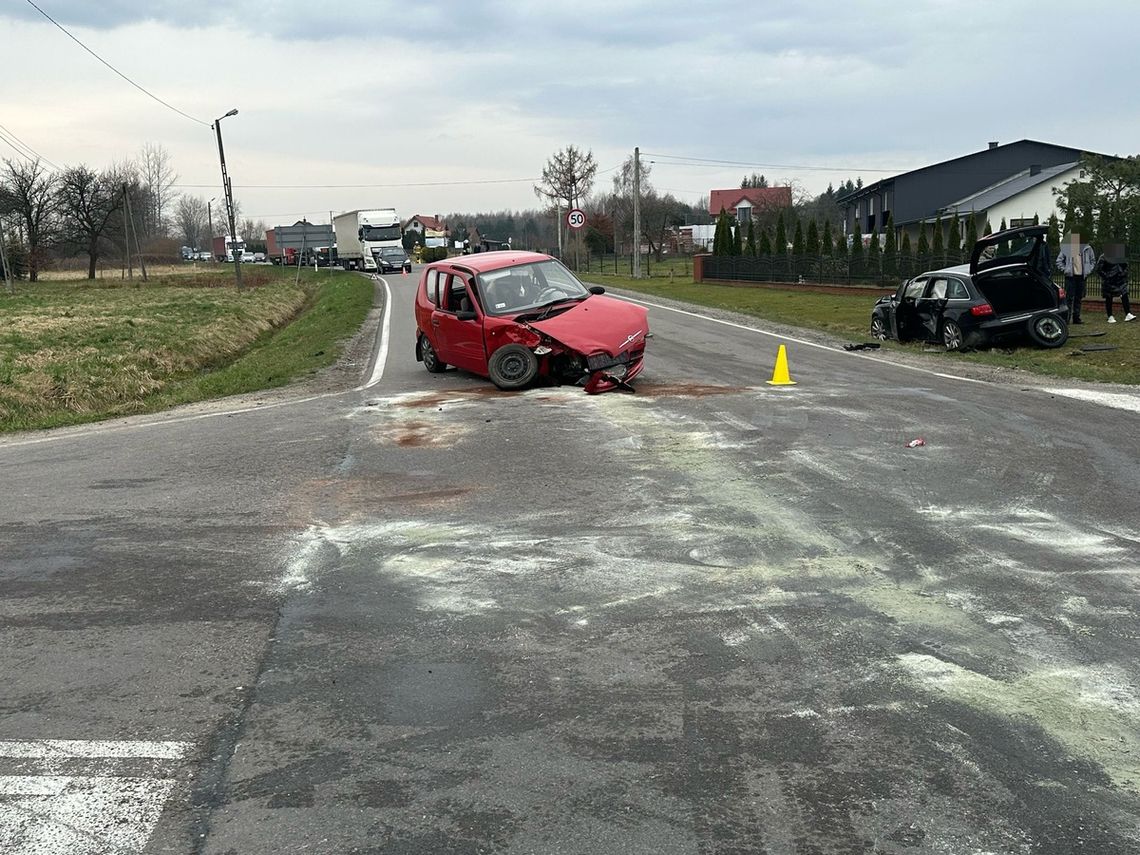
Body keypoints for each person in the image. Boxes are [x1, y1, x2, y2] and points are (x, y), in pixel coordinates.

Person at [1056, 232, 1096, 324]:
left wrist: (1088, 270)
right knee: (1069, 298)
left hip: (1082, 277)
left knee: (1079, 298)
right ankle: (1067, 318)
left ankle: (1076, 318)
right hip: (1070, 277)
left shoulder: (1088, 248)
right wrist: (1065, 270)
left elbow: (1092, 260)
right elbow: (1059, 261)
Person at [1093, 242, 1134, 323]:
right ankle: (1110, 316)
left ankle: (1128, 313)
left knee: (1124, 295)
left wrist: (1123, 273)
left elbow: (1125, 266)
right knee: (1109, 298)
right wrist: (1107, 276)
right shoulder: (1103, 257)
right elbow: (1098, 269)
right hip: (1109, 281)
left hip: (1120, 280)